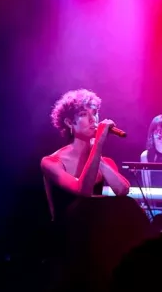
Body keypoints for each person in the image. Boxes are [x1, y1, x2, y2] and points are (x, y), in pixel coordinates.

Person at [41, 88, 131, 222]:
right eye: (83, 114)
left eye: (94, 113)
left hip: (95, 231)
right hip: (66, 231)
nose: (92, 119)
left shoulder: (105, 161)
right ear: (69, 122)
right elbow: (84, 192)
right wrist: (99, 142)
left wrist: (98, 157)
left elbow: (122, 190)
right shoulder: (51, 162)